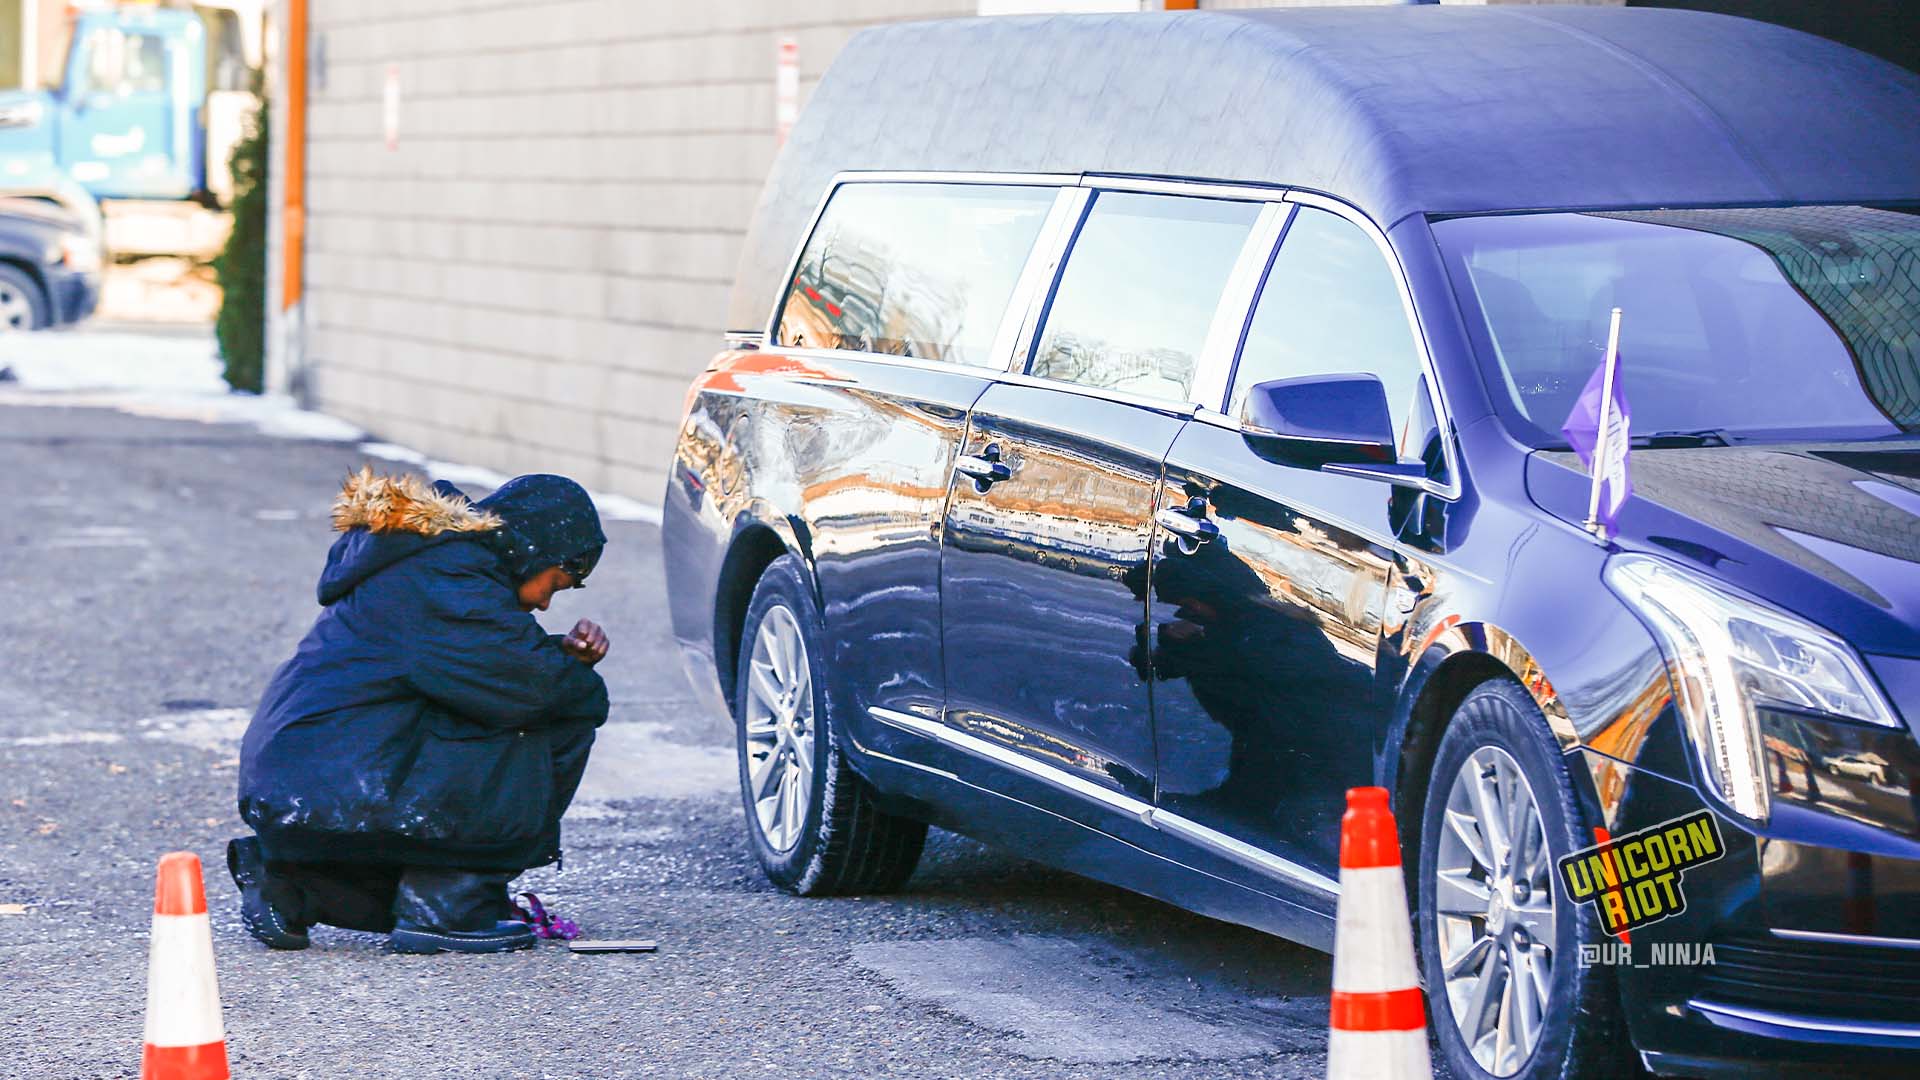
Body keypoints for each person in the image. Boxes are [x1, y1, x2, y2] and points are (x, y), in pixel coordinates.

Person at [230, 468, 612, 954]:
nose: (543, 603)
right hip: (329, 780)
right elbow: (528, 689)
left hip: (309, 778)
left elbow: (486, 664)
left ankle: (295, 883)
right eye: (558, 582)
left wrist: (561, 659)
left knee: (522, 702)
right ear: (534, 550)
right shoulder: (450, 576)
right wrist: (574, 673)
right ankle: (450, 900)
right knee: (558, 716)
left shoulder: (436, 564)